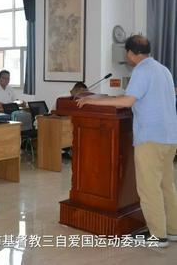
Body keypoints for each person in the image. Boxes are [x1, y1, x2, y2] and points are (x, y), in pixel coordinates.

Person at [76, 35, 177, 247]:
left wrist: (93, 100)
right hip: (169, 137)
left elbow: (128, 101)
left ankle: (158, 235)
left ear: (130, 53)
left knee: (149, 187)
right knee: (166, 185)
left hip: (150, 137)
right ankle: (173, 229)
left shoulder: (141, 70)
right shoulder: (163, 69)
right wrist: (105, 98)